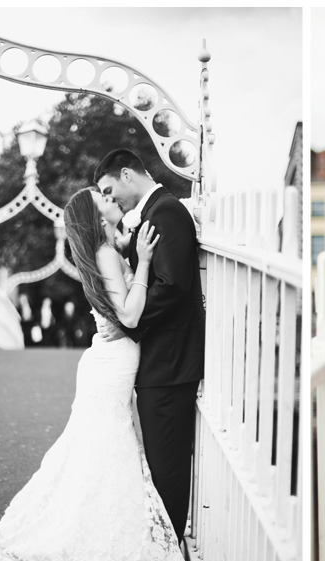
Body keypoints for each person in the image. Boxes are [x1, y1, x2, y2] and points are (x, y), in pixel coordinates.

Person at [0, 188, 188, 561]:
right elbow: (128, 314)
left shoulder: (103, 251)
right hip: (113, 361)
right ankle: (91, 541)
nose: (109, 197)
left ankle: (86, 531)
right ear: (96, 215)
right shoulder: (106, 255)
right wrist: (142, 264)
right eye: (101, 197)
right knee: (107, 450)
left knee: (96, 450)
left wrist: (129, 252)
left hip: (105, 360)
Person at [94, 149, 206, 540]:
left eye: (110, 190)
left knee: (168, 466)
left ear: (127, 175)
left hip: (170, 363)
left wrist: (129, 323)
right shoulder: (154, 213)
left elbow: (172, 285)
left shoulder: (166, 212)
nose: (111, 201)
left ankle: (170, 552)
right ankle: (166, 547)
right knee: (162, 462)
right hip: (162, 361)